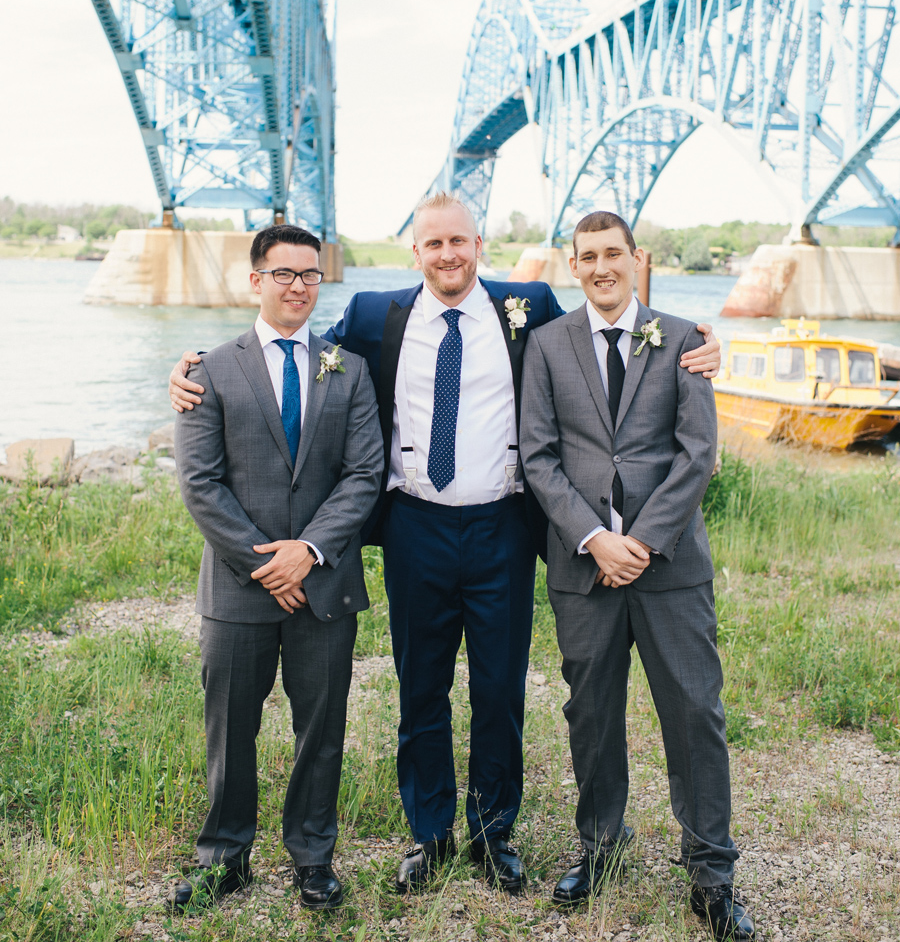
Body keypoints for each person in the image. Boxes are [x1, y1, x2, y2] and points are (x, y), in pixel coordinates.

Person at [169, 195, 721, 898]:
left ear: (480, 243)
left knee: (499, 689)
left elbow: (605, 335)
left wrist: (698, 340)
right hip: (415, 526)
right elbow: (294, 345)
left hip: (502, 525)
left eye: (459, 241)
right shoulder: (376, 316)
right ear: (416, 253)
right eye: (433, 244)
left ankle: (495, 835)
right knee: (420, 686)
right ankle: (428, 836)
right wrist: (192, 368)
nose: (448, 255)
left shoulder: (528, 307)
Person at [519, 210, 755, 942]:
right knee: (590, 713)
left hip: (669, 566)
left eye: (612, 254)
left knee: (694, 713)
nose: (600, 268)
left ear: (636, 257)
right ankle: (601, 846)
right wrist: (593, 538)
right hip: (582, 566)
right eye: (586, 257)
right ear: (573, 264)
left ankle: (712, 874)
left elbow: (697, 454)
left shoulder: (685, 338)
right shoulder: (547, 343)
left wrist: (642, 541)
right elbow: (537, 454)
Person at [172, 225, 382, 913]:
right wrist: (267, 561)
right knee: (230, 730)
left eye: (310, 275)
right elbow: (202, 484)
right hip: (239, 587)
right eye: (284, 273)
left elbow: (363, 474)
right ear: (255, 280)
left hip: (324, 584)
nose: (299, 286)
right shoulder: (209, 370)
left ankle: (312, 858)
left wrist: (308, 551)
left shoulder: (348, 369)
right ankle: (223, 858)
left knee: (320, 732)